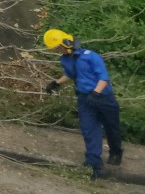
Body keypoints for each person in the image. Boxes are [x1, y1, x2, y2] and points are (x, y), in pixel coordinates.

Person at [43, 29, 123, 179]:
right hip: (85, 99)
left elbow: (103, 78)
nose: (57, 50)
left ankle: (116, 152)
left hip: (104, 98)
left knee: (111, 127)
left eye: (58, 47)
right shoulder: (65, 59)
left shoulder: (91, 56)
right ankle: (94, 164)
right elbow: (70, 74)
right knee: (89, 130)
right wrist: (56, 83)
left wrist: (96, 93)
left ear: (66, 43)